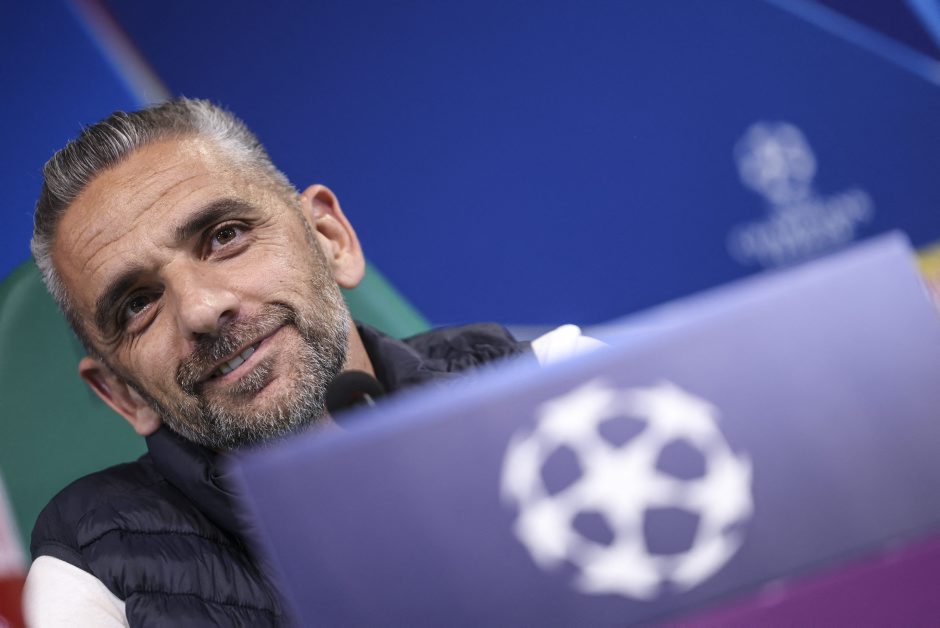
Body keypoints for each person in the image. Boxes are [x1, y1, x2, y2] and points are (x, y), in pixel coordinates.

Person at [21, 99, 600, 626]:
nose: (200, 309)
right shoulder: (89, 573)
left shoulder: (555, 384)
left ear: (330, 238)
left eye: (224, 236)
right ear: (122, 394)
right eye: (137, 304)